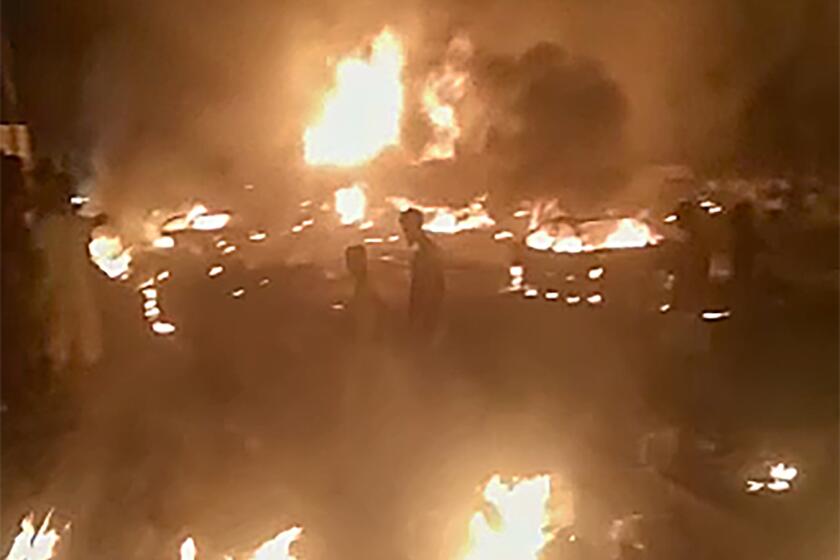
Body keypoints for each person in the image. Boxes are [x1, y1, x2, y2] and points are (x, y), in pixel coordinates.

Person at [36, 171, 102, 376]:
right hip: (68, 284)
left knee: (61, 329)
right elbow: (95, 223)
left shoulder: (44, 225)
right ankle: (78, 371)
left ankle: (60, 371)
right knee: (76, 327)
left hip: (56, 285)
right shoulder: (64, 225)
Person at [399, 208, 445, 341]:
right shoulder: (424, 250)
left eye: (406, 229)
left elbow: (428, 289)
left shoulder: (425, 253)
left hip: (426, 321)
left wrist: (418, 321)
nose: (405, 234)